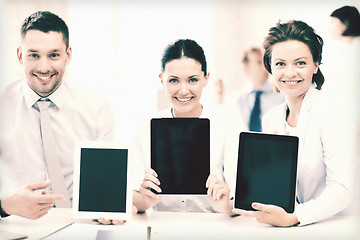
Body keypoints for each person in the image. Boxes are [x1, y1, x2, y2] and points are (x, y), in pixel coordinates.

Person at [207, 20, 357, 227]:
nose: (290, 73)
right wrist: (229, 205)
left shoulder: (332, 113)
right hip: (288, 229)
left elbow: (342, 189)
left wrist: (295, 217)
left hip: (333, 226)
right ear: (270, 67)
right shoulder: (271, 118)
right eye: (280, 64)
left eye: (300, 63)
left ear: (315, 65)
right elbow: (273, 189)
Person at [0, 11, 116, 221]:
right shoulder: (2, 106)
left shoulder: (96, 106)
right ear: (20, 55)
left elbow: (108, 183)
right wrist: (5, 206)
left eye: (53, 55)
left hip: (84, 227)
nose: (44, 67)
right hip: (20, 227)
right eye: (34, 55)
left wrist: (112, 206)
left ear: (68, 55)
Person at [132, 39, 240, 213]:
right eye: (174, 81)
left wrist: (226, 205)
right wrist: (144, 200)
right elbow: (133, 199)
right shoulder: (144, 127)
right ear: (162, 80)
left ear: (206, 78)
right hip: (161, 229)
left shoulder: (227, 124)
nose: (183, 90)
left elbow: (240, 201)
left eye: (192, 80)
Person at [226, 47, 284, 132]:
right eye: (259, 62)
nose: (265, 67)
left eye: (266, 62)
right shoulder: (236, 100)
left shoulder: (281, 98)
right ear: (246, 69)